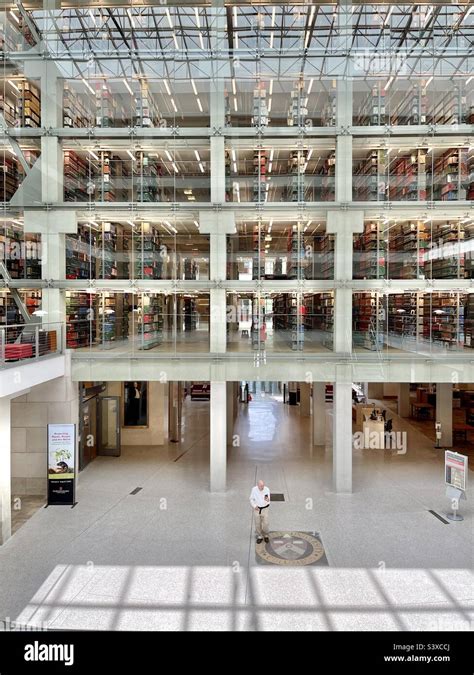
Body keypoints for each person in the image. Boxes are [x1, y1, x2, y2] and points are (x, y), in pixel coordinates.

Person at [249, 479, 271, 544]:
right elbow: (251, 499)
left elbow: (268, 500)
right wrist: (254, 506)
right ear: (257, 485)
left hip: (265, 509)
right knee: (257, 523)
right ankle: (260, 536)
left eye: (263, 485)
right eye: (261, 486)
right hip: (257, 509)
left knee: (266, 523)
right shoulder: (254, 489)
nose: (262, 487)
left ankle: (266, 535)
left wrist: (267, 500)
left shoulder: (266, 489)